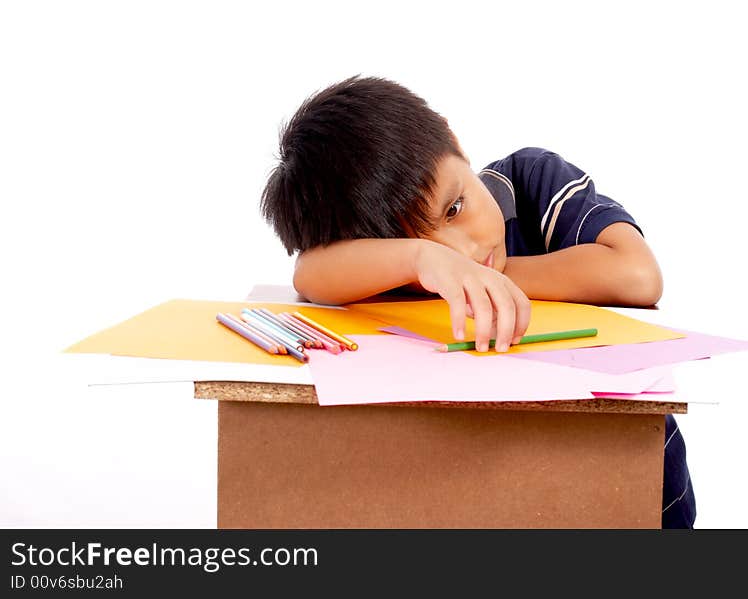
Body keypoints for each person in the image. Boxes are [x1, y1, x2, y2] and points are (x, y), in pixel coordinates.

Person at [261, 75, 696, 528]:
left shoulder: (532, 182)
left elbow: (638, 276)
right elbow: (309, 273)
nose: (463, 251)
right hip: (499, 490)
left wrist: (484, 277)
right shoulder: (409, 271)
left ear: (453, 141)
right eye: (430, 245)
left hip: (630, 483)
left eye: (454, 208)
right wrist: (417, 259)